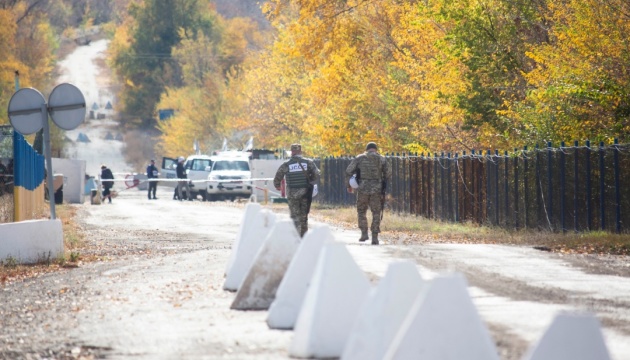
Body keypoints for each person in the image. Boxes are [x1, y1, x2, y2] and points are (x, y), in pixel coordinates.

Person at [345, 142, 391, 245]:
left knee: (361, 211)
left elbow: (348, 171)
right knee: (376, 212)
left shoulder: (360, 158)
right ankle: (375, 236)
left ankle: (364, 233)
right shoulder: (381, 159)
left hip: (362, 189)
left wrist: (349, 186)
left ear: (367, 149)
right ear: (376, 149)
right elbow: (388, 173)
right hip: (376, 190)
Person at [274, 143, 320, 237]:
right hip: (305, 193)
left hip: (292, 194)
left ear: (292, 152)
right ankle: (303, 237)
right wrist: (310, 179)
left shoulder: (287, 164)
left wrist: (277, 185)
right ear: (300, 151)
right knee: (304, 216)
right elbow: (316, 174)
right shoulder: (308, 162)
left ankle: (295, 237)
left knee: (294, 216)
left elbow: (278, 176)